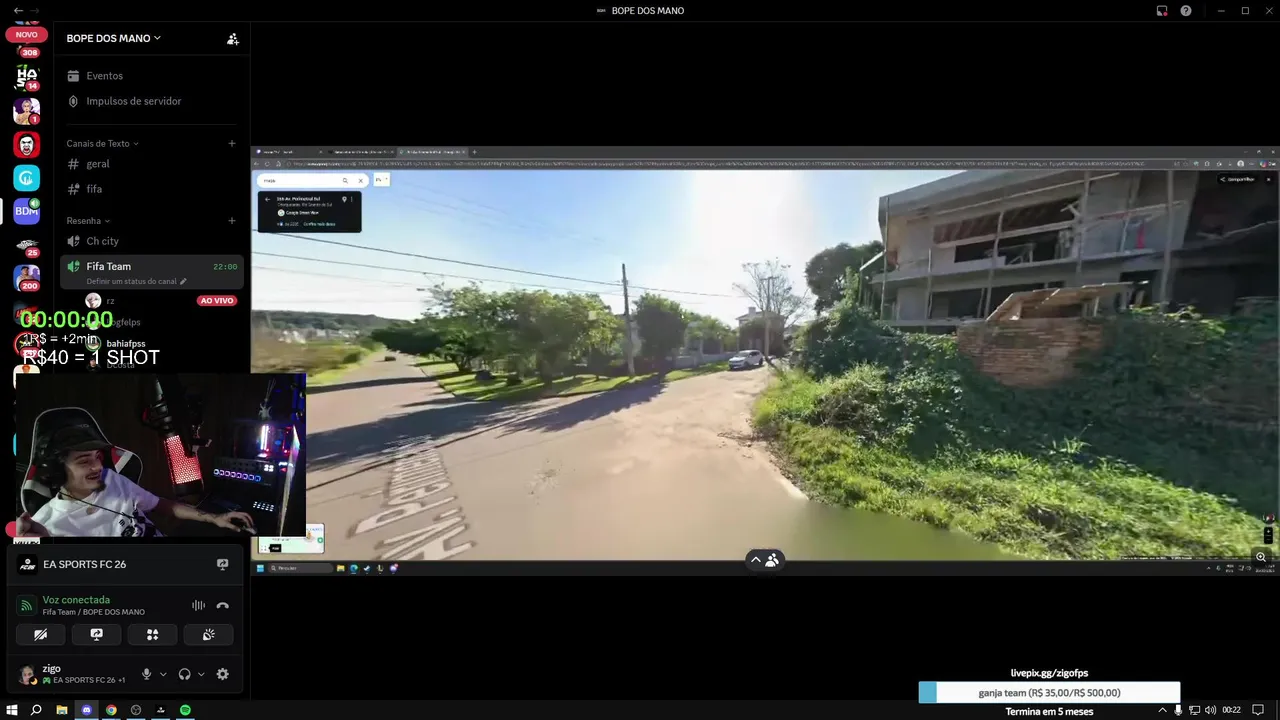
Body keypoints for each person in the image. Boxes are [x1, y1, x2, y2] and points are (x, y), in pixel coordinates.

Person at [15, 424, 256, 538]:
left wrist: (214, 518)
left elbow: (161, 504)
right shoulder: (47, 526)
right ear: (57, 471)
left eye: (98, 457)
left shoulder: (111, 479)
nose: (98, 466)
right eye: (84, 460)